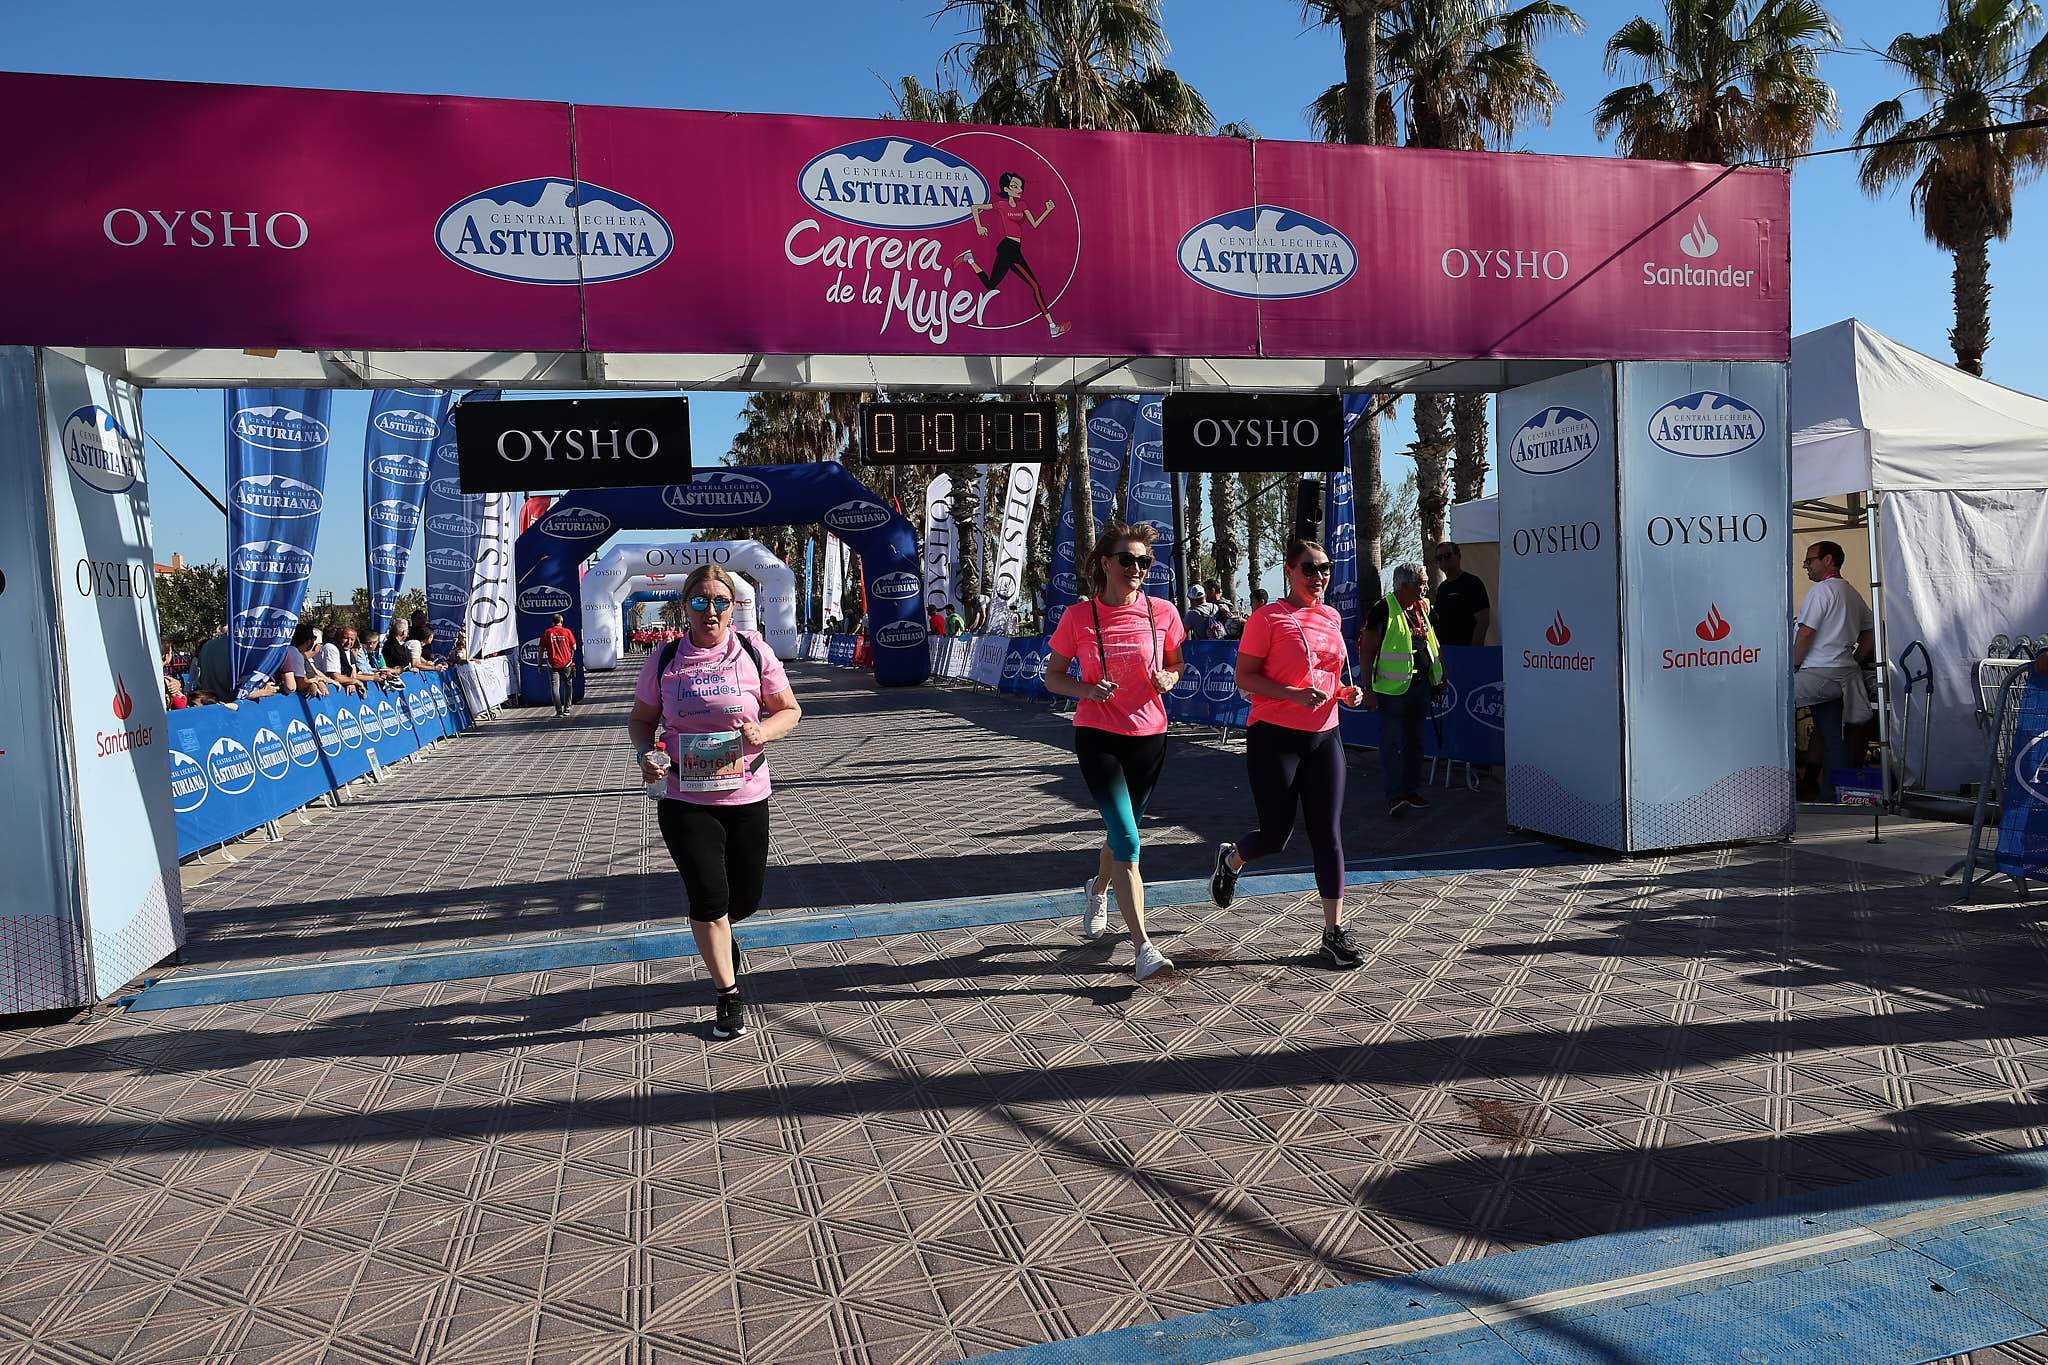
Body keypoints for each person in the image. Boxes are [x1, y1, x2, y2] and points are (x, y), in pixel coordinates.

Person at [628, 565, 802, 1041]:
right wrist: (647, 755)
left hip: (747, 793)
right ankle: (727, 993)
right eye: (700, 602)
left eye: (719, 602)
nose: (711, 611)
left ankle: (723, 939)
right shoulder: (665, 658)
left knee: (744, 896)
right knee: (709, 898)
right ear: (686, 606)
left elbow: (790, 710)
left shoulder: (752, 650)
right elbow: (641, 721)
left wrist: (762, 731)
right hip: (685, 798)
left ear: (733, 607)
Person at [1210, 540, 1367, 969]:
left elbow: (1329, 676)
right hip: (1274, 736)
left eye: (1325, 568)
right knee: (1275, 836)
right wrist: (1292, 694)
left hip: (1325, 736)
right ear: (1289, 571)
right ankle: (1232, 859)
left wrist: (1344, 693)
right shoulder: (1267, 618)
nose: (1319, 576)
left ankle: (1333, 932)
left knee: (1327, 834)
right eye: (1309, 568)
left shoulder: (1332, 616)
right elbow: (1246, 677)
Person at [1044, 521, 1187, 981]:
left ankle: (1097, 886)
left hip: (1150, 737)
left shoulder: (1162, 611)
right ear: (1106, 563)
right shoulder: (1078, 618)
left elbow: (1176, 663)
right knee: (1128, 839)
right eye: (1127, 560)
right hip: (1098, 737)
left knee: (1119, 834)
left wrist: (1170, 678)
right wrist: (1086, 689)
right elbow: (1053, 677)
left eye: (1144, 561)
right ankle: (1144, 947)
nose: (1137, 569)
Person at [1358, 562, 1443, 817]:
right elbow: (1367, 650)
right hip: (1392, 690)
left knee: (1415, 742)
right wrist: (1369, 690)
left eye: (1426, 582)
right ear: (1404, 585)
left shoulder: (1423, 608)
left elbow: (1431, 645)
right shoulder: (1383, 608)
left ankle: (1411, 790)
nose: (1426, 587)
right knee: (1391, 742)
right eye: (1421, 583)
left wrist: (1438, 679)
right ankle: (1395, 796)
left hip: (1420, 687)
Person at [955, 171, 1070, 339]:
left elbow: (1035, 224)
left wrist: (1048, 210)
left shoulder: (1022, 205)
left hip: (1014, 249)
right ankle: (1052, 326)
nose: (1019, 189)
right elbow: (975, 207)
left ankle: (970, 258)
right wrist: (979, 226)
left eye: (1020, 187)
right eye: (1015, 186)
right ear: (1006, 189)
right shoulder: (1001, 205)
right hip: (1008, 248)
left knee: (991, 285)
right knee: (1035, 286)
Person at [1793, 540, 1874, 725]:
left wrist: (1793, 665)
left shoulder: (1821, 590)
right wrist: (1856, 659)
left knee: (1769, 697)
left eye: (1809, 561)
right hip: (1845, 674)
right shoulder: (1852, 592)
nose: (1806, 566)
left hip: (1818, 672)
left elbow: (1805, 633)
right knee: (1830, 733)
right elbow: (1872, 631)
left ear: (1827, 559)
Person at [1429, 542, 1490, 647]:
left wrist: (1474, 650)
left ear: (1458, 556)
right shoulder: (1442, 588)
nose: (1443, 560)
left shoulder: (1472, 583)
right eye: (1439, 558)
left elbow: (1483, 621)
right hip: (1446, 652)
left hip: (1466, 651)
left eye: (1448, 555)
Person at [276, 622, 334, 699]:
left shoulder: (287, 650)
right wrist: (315, 682)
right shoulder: (296, 654)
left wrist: (317, 680)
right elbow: (300, 685)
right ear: (309, 641)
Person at [541, 613, 578, 716]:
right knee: (568, 685)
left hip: (553, 664)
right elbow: (574, 647)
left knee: (554, 687)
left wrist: (539, 663)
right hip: (567, 663)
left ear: (552, 622)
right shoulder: (567, 632)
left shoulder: (547, 632)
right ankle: (567, 708)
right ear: (561, 622)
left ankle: (558, 710)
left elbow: (541, 649)